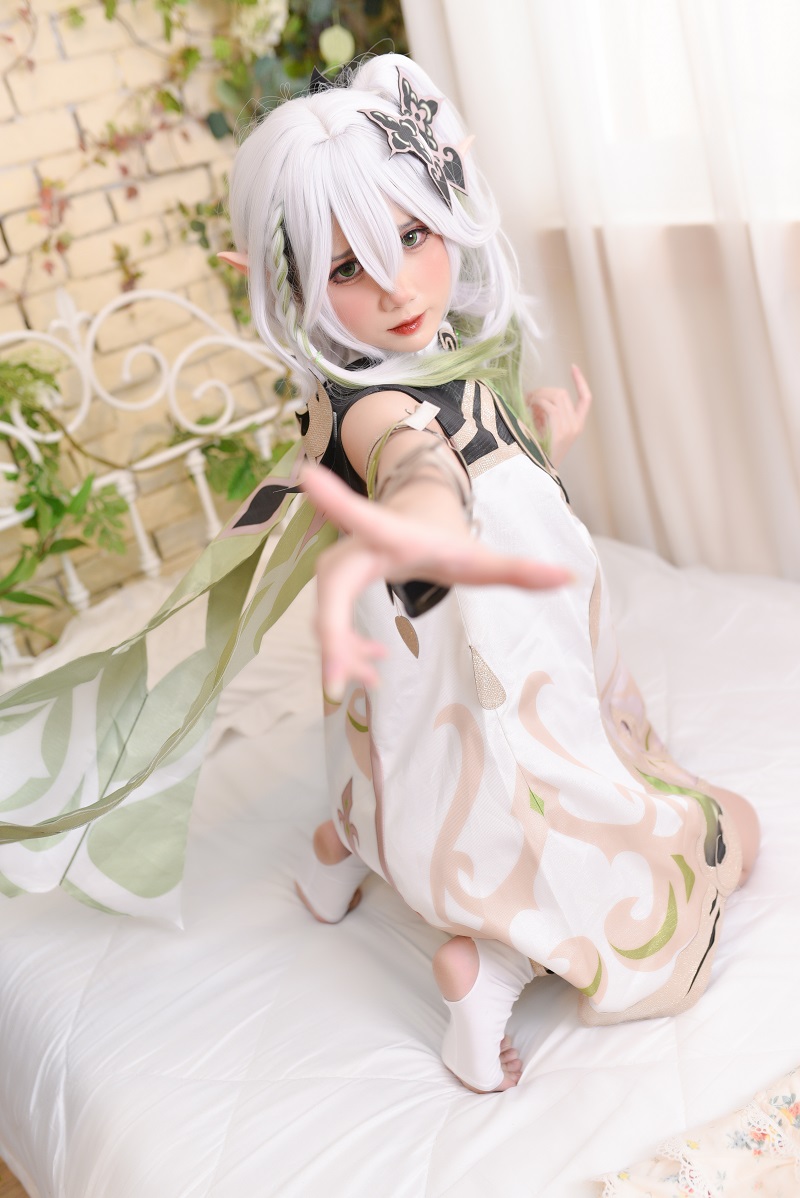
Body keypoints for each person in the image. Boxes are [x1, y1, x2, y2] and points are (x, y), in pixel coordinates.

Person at [217, 52, 760, 1094]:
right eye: (347, 269)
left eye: (412, 238)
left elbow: (474, 461)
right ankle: (493, 966)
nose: (395, 288)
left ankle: (339, 850)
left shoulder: (419, 360)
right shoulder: (377, 407)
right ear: (295, 285)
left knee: (388, 747)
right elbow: (414, 463)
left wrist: (539, 441)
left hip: (425, 645)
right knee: (703, 830)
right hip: (480, 640)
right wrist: (425, 514)